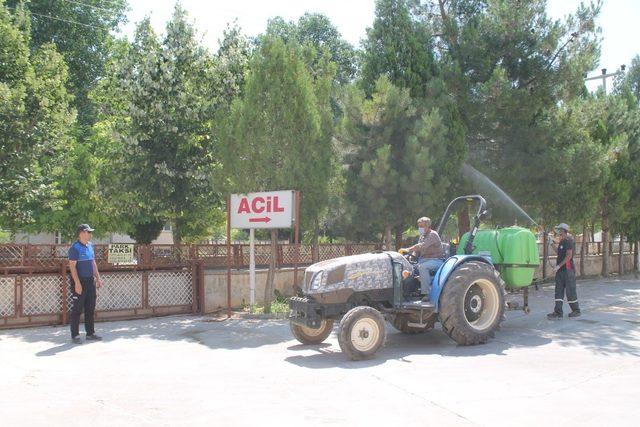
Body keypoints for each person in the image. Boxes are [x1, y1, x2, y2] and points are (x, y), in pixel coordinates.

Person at [68, 224, 103, 343]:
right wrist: (77, 283)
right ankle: (75, 335)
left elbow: (93, 263)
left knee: (90, 308)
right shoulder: (75, 248)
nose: (90, 234)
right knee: (77, 309)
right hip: (79, 281)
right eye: (89, 232)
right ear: (82, 233)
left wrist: (98, 278)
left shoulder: (90, 246)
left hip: (90, 281)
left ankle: (90, 333)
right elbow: (72, 267)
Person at [401, 217, 445, 299]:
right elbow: (417, 251)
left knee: (422, 267)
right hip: (423, 260)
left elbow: (421, 246)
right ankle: (408, 293)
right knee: (407, 267)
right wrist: (410, 258)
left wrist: (408, 249)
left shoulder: (433, 235)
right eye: (419, 226)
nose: (420, 228)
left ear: (428, 226)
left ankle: (426, 294)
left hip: (436, 261)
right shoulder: (422, 236)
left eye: (421, 226)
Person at [547, 223, 581, 319]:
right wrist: (551, 243)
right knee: (558, 291)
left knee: (570, 292)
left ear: (563, 230)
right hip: (561, 271)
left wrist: (558, 266)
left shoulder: (568, 240)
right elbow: (559, 252)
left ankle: (576, 310)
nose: (558, 231)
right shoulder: (562, 241)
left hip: (568, 271)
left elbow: (569, 255)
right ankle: (558, 312)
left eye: (559, 229)